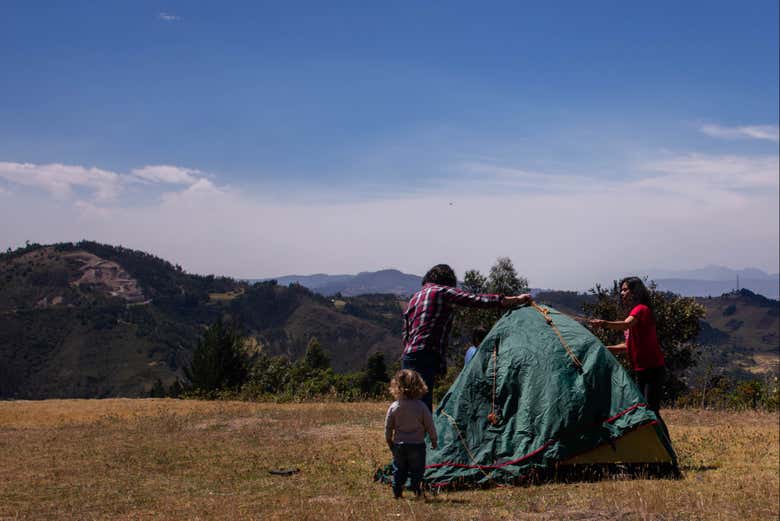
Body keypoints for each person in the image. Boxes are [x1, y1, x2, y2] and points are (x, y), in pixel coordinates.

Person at [402, 264, 532, 411]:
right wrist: (515, 300)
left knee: (408, 402)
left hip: (409, 356)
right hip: (426, 354)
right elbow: (476, 299)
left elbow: (406, 334)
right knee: (422, 407)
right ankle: (422, 426)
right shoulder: (441, 291)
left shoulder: (414, 298)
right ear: (447, 281)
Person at [589, 277, 667, 420]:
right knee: (644, 409)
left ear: (635, 291)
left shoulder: (640, 310)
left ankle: (661, 435)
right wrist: (606, 348)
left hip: (652, 369)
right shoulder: (635, 312)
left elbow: (625, 325)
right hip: (641, 370)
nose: (622, 293)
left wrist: (603, 323)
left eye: (625, 290)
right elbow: (627, 345)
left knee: (651, 411)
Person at [384, 369, 438, 499]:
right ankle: (416, 488)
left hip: (399, 445)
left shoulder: (394, 407)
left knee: (399, 469)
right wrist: (434, 439)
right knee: (417, 470)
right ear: (420, 386)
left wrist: (389, 440)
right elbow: (429, 425)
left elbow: (388, 426)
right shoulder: (421, 407)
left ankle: (397, 490)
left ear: (396, 387)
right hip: (417, 445)